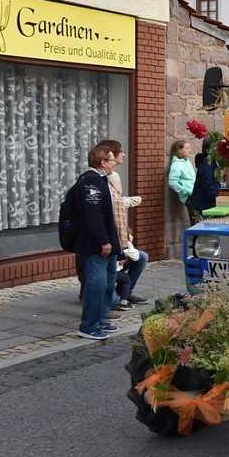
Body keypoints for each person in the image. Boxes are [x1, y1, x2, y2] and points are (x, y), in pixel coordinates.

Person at [75, 145, 122, 340]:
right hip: (96, 244)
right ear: (102, 162)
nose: (114, 163)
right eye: (111, 160)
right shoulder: (91, 182)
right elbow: (93, 216)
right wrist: (103, 240)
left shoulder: (101, 181)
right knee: (97, 282)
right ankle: (89, 325)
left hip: (108, 241)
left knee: (108, 281)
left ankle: (100, 317)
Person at [98, 139, 149, 309]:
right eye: (120, 152)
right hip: (110, 236)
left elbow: (116, 203)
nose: (124, 155)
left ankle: (125, 292)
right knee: (110, 267)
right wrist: (132, 201)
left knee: (141, 257)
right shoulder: (107, 177)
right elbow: (113, 204)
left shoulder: (114, 176)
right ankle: (111, 301)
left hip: (119, 234)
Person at [188, 135, 220, 219]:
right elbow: (207, 182)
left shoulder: (209, 161)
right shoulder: (206, 162)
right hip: (204, 204)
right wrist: (216, 197)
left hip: (205, 203)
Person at [169, 139, 197, 223]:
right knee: (195, 219)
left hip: (195, 193)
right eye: (187, 148)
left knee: (199, 218)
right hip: (189, 195)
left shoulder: (187, 161)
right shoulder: (176, 165)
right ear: (180, 150)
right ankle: (193, 235)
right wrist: (186, 191)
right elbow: (172, 182)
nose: (190, 150)